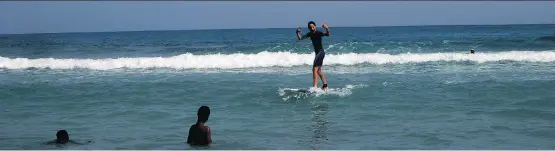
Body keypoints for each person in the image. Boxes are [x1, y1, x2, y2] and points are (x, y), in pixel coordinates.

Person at [296, 21, 330, 90]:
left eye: (313, 27)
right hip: (317, 53)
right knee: (318, 71)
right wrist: (297, 32)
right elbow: (300, 38)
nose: (312, 28)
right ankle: (325, 85)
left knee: (314, 69)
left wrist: (327, 28)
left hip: (321, 52)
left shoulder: (318, 33)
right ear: (309, 28)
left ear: (315, 26)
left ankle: (315, 87)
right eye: (310, 27)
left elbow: (328, 34)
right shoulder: (310, 34)